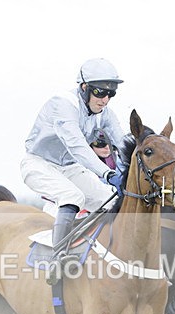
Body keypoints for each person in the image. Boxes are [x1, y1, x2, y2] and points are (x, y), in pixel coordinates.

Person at [21, 58, 125, 283]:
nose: (105, 100)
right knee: (73, 196)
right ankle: (57, 259)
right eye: (100, 92)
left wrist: (130, 170)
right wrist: (107, 173)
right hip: (39, 164)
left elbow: (123, 141)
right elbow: (77, 146)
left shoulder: (104, 113)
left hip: (68, 167)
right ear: (84, 87)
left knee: (110, 200)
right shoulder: (64, 103)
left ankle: (99, 254)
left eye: (111, 93)